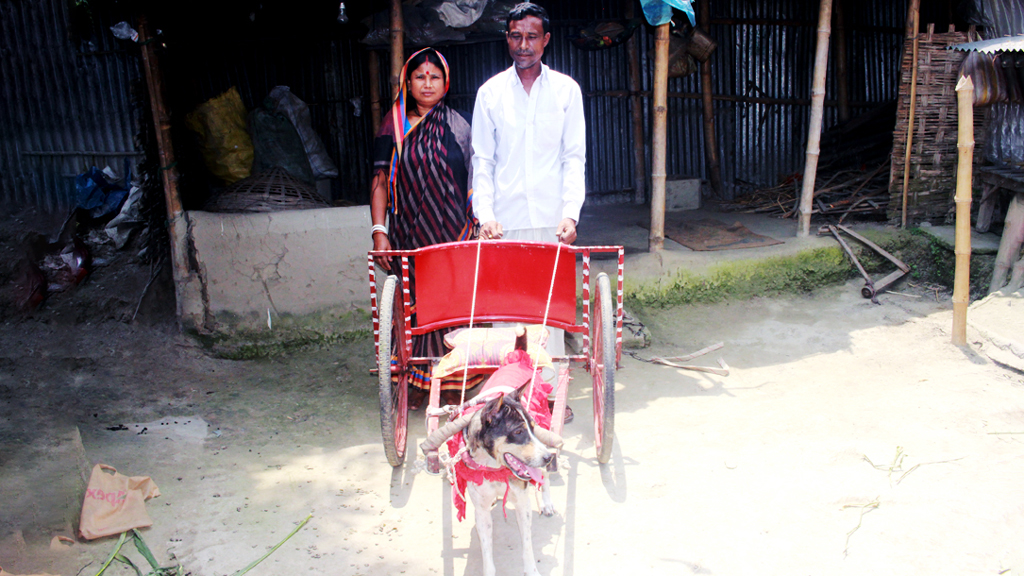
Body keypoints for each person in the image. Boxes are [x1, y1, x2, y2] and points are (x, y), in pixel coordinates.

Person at [470, 2, 586, 419]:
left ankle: (550, 397)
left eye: (532, 37)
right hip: (504, 223)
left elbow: (574, 157)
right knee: (506, 315)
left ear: (546, 40)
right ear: (508, 40)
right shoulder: (490, 93)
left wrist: (570, 213)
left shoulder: (567, 92)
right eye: (516, 37)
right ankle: (510, 401)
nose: (524, 45)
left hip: (552, 222)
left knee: (549, 314)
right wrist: (485, 215)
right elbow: (481, 160)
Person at [370, 47, 477, 410]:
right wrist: (378, 230)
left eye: (434, 76)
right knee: (415, 305)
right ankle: (416, 382)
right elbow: (381, 179)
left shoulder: (460, 124)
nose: (427, 83)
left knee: (455, 305)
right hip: (409, 234)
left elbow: (477, 178)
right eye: (420, 76)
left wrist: (479, 223)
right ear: (408, 82)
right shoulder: (394, 123)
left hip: (454, 233)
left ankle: (458, 382)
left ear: (446, 83)